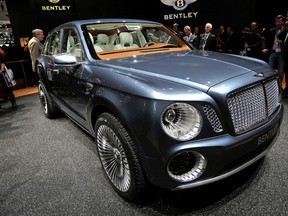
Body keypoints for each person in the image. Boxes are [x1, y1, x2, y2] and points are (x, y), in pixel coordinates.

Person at [262, 15, 287, 84]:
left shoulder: (286, 31)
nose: (277, 23)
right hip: (272, 52)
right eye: (276, 22)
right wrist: (265, 48)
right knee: (269, 69)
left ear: (283, 22)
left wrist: (283, 43)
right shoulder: (272, 30)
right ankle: (270, 85)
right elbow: (268, 41)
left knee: (281, 71)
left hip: (281, 54)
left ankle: (279, 86)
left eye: (279, 21)